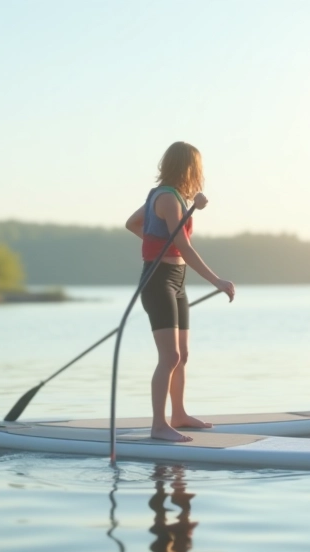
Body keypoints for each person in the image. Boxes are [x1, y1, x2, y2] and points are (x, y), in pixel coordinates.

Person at [125, 142, 235, 442]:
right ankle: (159, 425)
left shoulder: (167, 197)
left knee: (181, 354)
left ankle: (179, 414)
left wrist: (158, 241)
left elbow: (134, 223)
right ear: (188, 168)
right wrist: (218, 281)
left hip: (176, 280)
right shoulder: (167, 199)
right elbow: (185, 248)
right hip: (158, 280)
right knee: (169, 356)